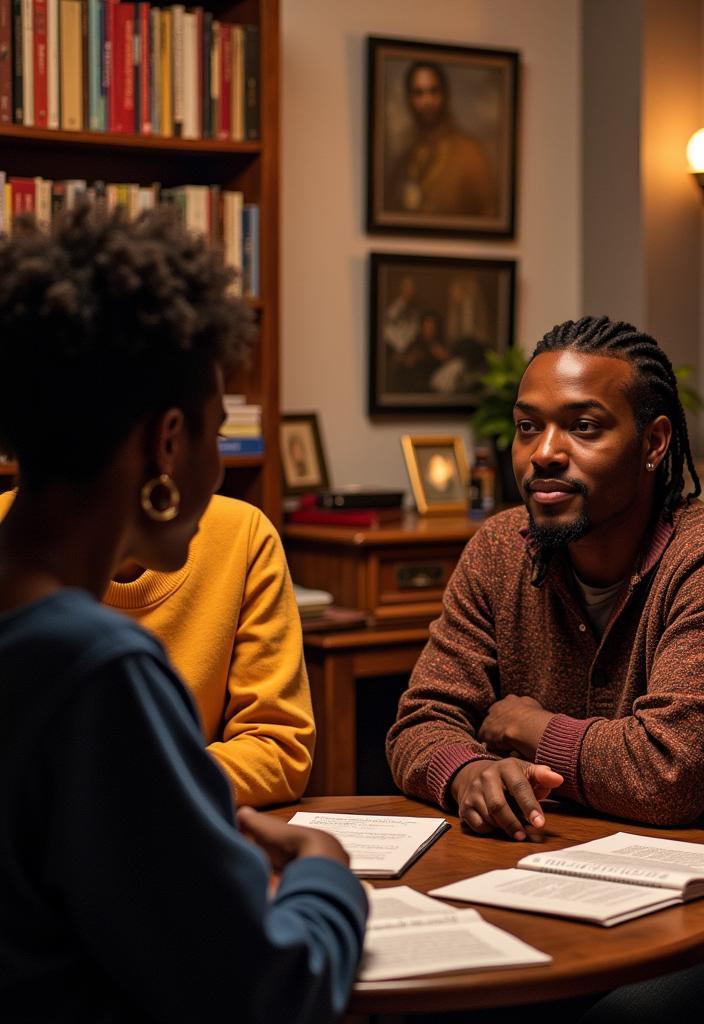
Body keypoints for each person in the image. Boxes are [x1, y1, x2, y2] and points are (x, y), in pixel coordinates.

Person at [0, 206, 366, 1020]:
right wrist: (326, 875)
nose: (221, 468)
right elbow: (266, 991)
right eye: (218, 430)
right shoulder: (98, 670)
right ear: (168, 442)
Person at [387, 316, 704, 841]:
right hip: (542, 862)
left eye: (583, 427)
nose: (544, 453)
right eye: (528, 426)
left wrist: (526, 728)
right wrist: (469, 774)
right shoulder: (499, 548)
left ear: (654, 444)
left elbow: (668, 775)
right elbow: (419, 722)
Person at [0, 489, 316, 808]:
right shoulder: (116, 648)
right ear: (166, 443)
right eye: (214, 440)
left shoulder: (242, 533)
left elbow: (278, 749)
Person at [384, 60, 498, 218]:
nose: (427, 101)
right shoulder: (404, 162)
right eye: (419, 93)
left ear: (445, 95)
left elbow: (489, 214)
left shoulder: (470, 153)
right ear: (409, 99)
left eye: (434, 91)